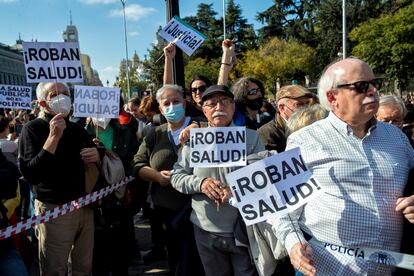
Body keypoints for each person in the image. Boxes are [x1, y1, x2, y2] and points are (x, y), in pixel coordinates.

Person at [270, 58, 414, 275]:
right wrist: (293, 243)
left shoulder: (397, 138)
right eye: (361, 86)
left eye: (376, 84)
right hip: (330, 269)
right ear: (332, 96)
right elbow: (281, 204)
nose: (373, 91)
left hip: (393, 268)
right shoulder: (304, 140)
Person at [171, 85, 264, 276]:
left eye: (224, 102)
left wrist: (238, 190)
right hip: (205, 228)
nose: (218, 107)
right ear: (204, 111)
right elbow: (177, 176)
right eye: (211, 104)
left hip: (245, 228)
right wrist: (201, 183)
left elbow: (265, 178)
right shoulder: (193, 141)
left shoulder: (252, 138)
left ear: (233, 107)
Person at [19, 82, 101, 276]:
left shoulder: (78, 128)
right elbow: (31, 174)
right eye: (54, 94)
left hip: (84, 207)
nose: (62, 97)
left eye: (65, 93)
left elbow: (95, 153)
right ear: (42, 103)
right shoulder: (32, 129)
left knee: (83, 267)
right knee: (54, 269)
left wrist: (98, 153)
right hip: (54, 210)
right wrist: (53, 138)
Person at [133, 84, 204, 275]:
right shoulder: (155, 133)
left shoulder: (202, 124)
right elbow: (138, 164)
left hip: (200, 208)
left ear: (185, 102)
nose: (172, 107)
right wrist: (156, 176)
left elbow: (225, 130)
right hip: (168, 210)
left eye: (176, 101)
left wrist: (198, 126)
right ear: (160, 108)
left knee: (201, 260)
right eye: (167, 103)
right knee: (177, 259)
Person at [258, 85, 314, 152]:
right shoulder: (267, 132)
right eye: (299, 104)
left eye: (307, 103)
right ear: (282, 108)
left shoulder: (313, 125)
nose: (306, 108)